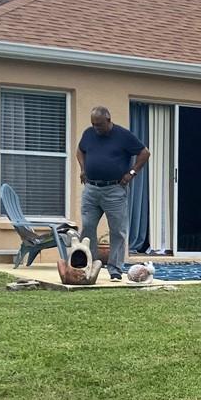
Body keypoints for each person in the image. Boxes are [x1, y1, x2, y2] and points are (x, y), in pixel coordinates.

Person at [76, 106, 150, 280]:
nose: (96, 128)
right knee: (87, 227)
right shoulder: (88, 134)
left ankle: (115, 270)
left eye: (99, 125)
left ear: (108, 120)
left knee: (117, 230)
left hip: (114, 190)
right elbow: (80, 150)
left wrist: (132, 173)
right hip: (91, 189)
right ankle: (89, 265)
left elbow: (144, 153)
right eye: (93, 124)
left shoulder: (123, 135)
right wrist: (83, 168)